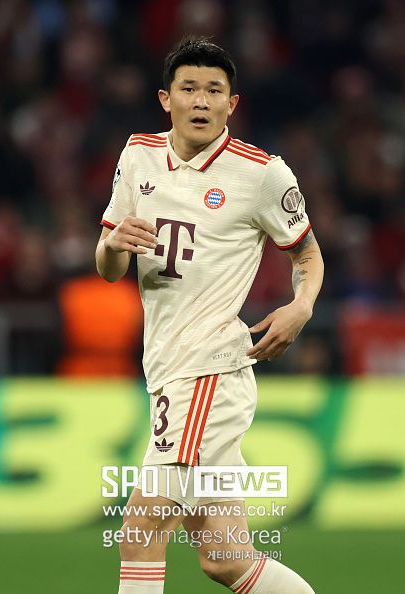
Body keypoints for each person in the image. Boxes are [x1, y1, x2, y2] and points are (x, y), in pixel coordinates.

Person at [96, 36, 323, 594]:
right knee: (226, 559)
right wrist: (113, 245)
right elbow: (108, 268)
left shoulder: (262, 174)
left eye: (214, 90)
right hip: (168, 371)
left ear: (232, 103)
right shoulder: (137, 155)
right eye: (189, 88)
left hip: (208, 374)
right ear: (165, 98)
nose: (201, 101)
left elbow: (307, 254)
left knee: (140, 532)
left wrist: (301, 307)